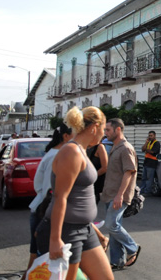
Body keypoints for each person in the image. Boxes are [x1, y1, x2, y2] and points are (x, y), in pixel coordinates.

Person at [35, 107, 114, 280]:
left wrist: (97, 233)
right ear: (94, 127)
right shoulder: (71, 151)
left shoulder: (82, 150)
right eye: (103, 130)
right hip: (67, 231)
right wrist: (55, 239)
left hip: (84, 229)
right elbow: (60, 197)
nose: (104, 134)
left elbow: (80, 198)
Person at [23, 124, 75, 280]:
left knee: (37, 260)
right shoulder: (59, 155)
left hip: (41, 208)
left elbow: (38, 184)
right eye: (75, 133)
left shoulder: (53, 153)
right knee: (40, 262)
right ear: (65, 136)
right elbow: (49, 189)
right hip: (46, 211)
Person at [102, 118, 141, 270]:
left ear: (118, 130)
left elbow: (129, 172)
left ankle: (133, 248)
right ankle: (117, 260)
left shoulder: (125, 148)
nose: (105, 133)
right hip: (110, 193)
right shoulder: (115, 146)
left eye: (108, 130)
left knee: (111, 224)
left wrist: (120, 195)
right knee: (113, 228)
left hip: (119, 195)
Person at [87, 136, 108, 205]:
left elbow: (105, 168)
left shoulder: (100, 147)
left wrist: (92, 176)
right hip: (85, 184)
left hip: (95, 184)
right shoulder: (84, 147)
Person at [140, 131, 160, 196]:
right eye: (149, 135)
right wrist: (146, 143)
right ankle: (142, 190)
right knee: (144, 178)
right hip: (146, 162)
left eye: (151, 135)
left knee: (149, 178)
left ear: (154, 135)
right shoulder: (148, 143)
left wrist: (146, 149)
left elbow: (153, 152)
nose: (150, 137)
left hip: (152, 163)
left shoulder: (157, 143)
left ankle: (147, 191)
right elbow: (143, 149)